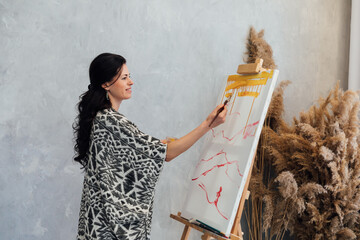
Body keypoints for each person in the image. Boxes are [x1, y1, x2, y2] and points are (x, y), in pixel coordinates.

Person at [73, 53, 227, 240]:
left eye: (129, 76)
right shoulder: (112, 122)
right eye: (124, 78)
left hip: (95, 225)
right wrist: (208, 124)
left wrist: (158, 146)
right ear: (105, 84)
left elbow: (130, 153)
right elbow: (167, 154)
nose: (131, 82)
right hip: (107, 229)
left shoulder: (100, 118)